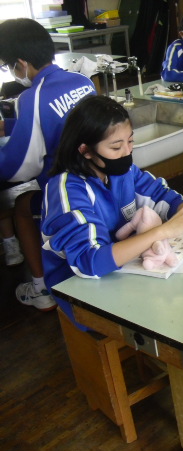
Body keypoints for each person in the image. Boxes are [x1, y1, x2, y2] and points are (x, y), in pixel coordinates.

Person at [41, 96, 183, 330]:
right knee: (169, 318)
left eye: (130, 141)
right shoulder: (67, 190)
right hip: (81, 289)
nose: (126, 152)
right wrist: (164, 230)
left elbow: (160, 194)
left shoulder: (123, 171)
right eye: (115, 147)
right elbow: (90, 262)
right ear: (85, 150)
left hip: (124, 269)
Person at [0, 18, 96, 311]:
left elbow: (20, 167)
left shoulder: (32, 97)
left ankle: (41, 290)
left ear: (21, 63)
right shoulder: (83, 82)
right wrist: (12, 126)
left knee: (22, 205)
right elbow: (62, 120)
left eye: (8, 66)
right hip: (96, 182)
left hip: (68, 194)